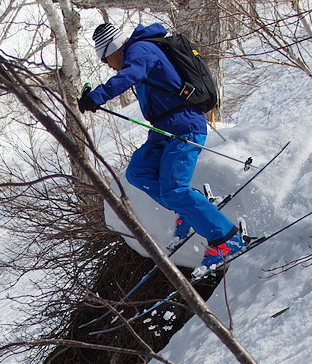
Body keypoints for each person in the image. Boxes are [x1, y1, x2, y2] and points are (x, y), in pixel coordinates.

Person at [78, 22, 245, 269]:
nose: (107, 65)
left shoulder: (140, 50)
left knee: (175, 190)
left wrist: (97, 96)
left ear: (114, 48)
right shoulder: (140, 50)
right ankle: (190, 210)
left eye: (105, 58)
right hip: (164, 129)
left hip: (184, 126)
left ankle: (226, 239)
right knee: (138, 172)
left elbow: (129, 75)